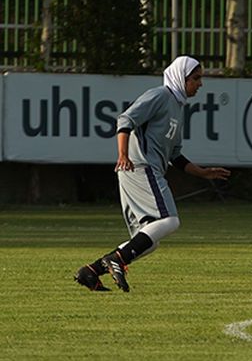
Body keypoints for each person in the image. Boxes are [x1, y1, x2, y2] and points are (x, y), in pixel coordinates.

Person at [73, 56, 231, 292]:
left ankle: (92, 271)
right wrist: (123, 155)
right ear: (181, 77)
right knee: (168, 221)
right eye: (196, 78)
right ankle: (117, 259)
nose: (200, 84)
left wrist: (203, 173)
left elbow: (175, 156)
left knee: (149, 242)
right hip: (139, 167)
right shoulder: (160, 95)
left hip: (140, 169)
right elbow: (125, 119)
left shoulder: (178, 106)